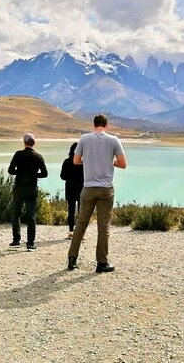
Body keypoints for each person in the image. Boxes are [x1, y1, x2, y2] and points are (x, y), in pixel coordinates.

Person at [67, 114, 127, 273]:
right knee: (103, 226)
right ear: (106, 126)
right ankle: (102, 262)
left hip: (88, 188)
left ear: (93, 125)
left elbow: (75, 161)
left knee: (81, 223)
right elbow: (123, 164)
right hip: (106, 189)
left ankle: (72, 259)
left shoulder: (84, 139)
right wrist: (109, 162)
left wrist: (88, 162)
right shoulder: (114, 140)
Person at [7, 133, 48, 251]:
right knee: (31, 216)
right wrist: (34, 175)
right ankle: (30, 243)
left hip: (19, 188)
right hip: (31, 188)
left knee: (16, 214)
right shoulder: (38, 156)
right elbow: (45, 174)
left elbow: (10, 170)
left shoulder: (18, 154)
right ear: (33, 143)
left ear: (24, 143)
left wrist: (20, 173)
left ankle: (16, 240)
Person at [60, 142, 83, 240]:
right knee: (81, 211)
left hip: (70, 188)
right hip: (82, 188)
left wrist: (70, 178)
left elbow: (62, 176)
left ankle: (71, 231)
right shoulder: (83, 162)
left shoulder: (66, 161)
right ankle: (80, 233)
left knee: (71, 210)